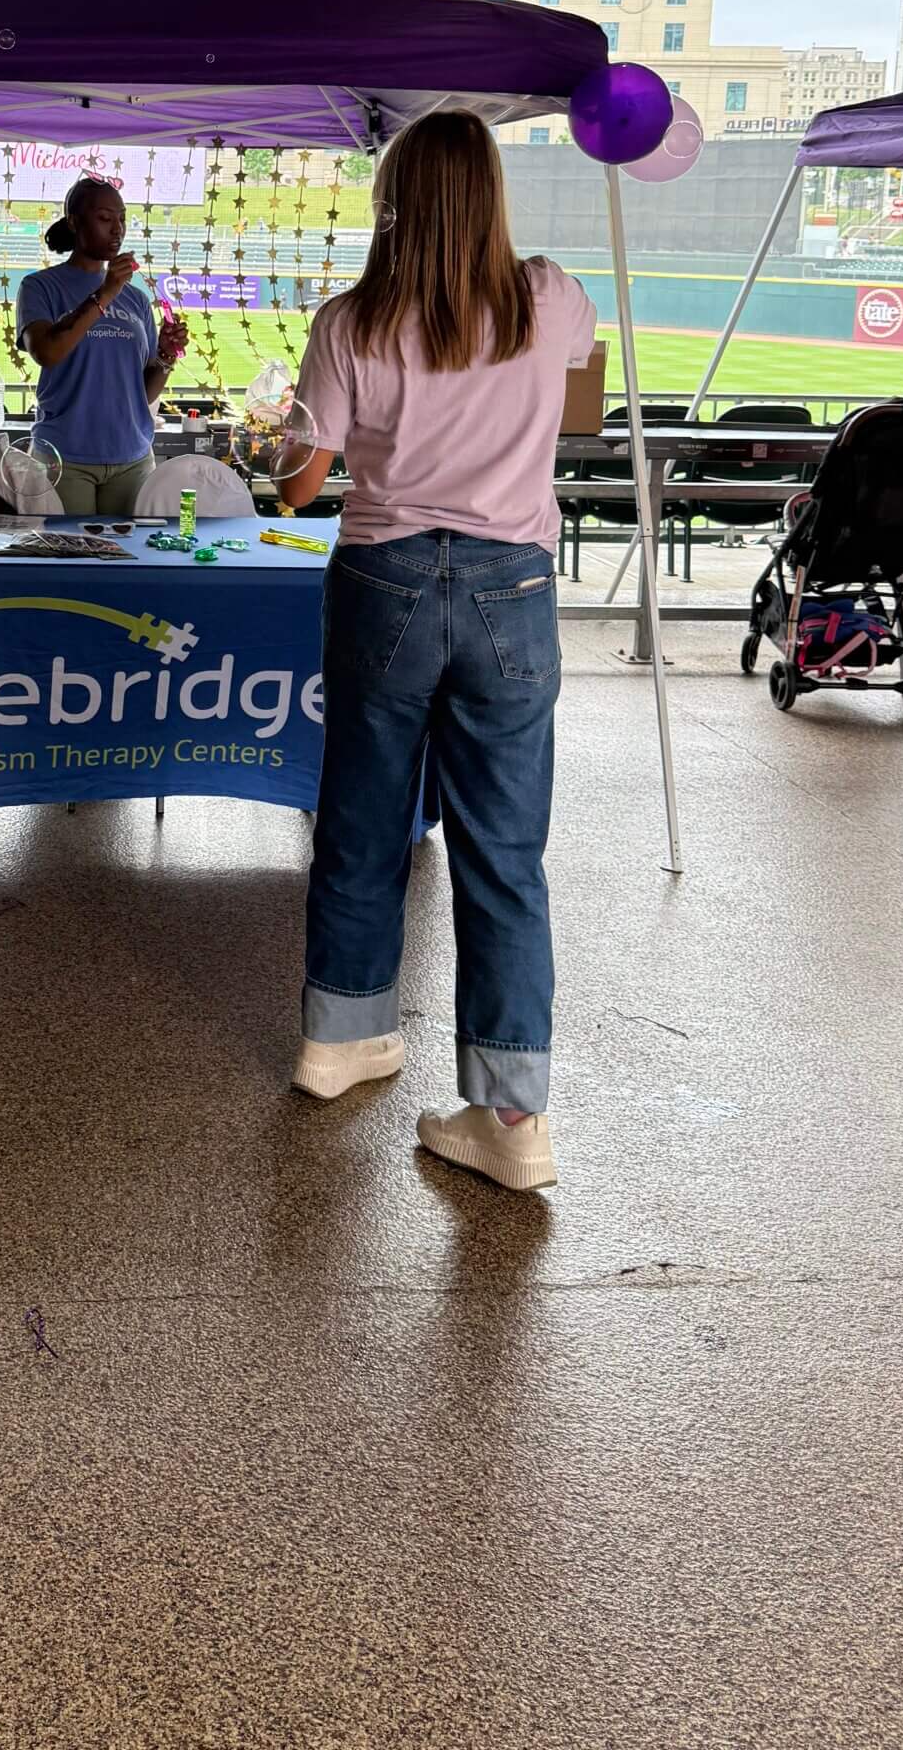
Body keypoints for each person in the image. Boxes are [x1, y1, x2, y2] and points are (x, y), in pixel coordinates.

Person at [276, 110, 597, 1192]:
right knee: (503, 852)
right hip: (513, 586)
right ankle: (511, 1114)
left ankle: (340, 1038)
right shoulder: (549, 296)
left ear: (393, 201)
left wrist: (286, 437)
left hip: (385, 578)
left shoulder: (350, 321)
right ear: (493, 195)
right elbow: (577, 368)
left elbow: (299, 484)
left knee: (361, 821)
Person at [16, 178, 186, 517]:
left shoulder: (136, 299)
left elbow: (142, 393)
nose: (117, 229)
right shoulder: (40, 286)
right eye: (105, 218)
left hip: (133, 459)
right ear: (74, 222)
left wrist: (166, 356)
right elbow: (46, 352)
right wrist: (105, 293)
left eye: (122, 218)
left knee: (130, 550)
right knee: (69, 551)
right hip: (64, 456)